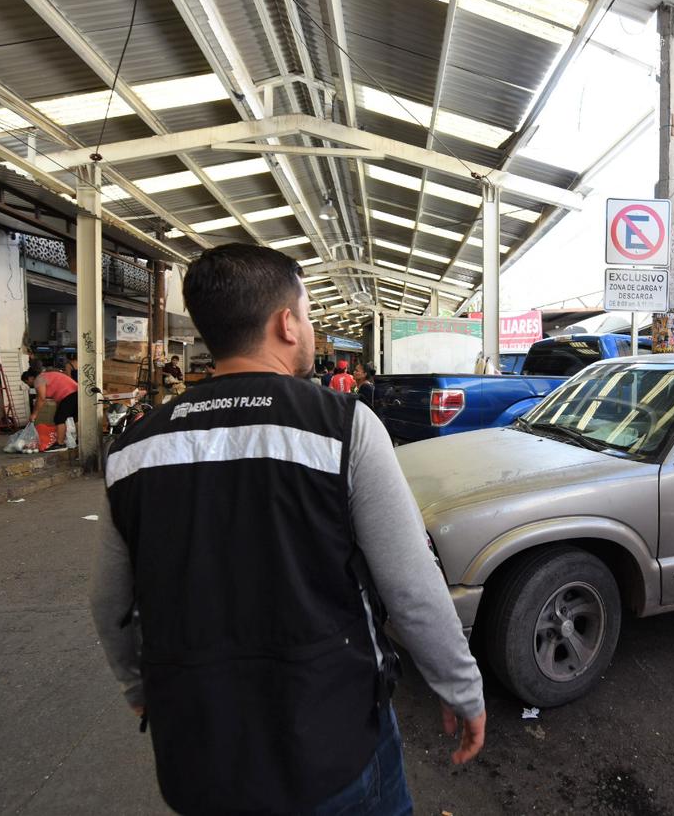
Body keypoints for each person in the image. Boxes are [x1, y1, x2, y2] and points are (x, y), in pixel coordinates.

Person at [90, 243, 485, 814]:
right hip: (333, 745)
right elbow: (411, 585)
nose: (308, 326)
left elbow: (108, 603)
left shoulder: (133, 449)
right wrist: (460, 687)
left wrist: (140, 689)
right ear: (285, 323)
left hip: (200, 754)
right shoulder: (344, 427)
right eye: (306, 314)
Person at [21, 366, 78, 450]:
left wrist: (34, 414)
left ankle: (60, 443)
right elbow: (58, 394)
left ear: (30, 378)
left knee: (59, 419)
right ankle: (77, 440)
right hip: (75, 392)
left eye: (27, 382)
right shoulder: (46, 376)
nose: (28, 385)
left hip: (70, 394)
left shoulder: (39, 379)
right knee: (75, 418)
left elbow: (41, 398)